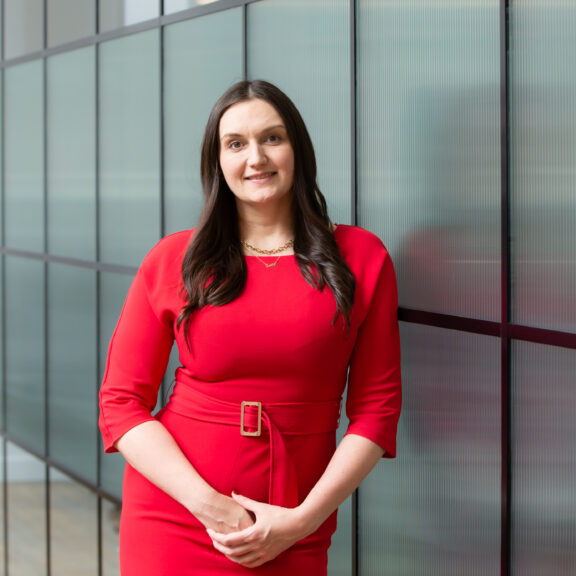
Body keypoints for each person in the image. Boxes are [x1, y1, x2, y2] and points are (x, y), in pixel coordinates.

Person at [99, 79, 401, 575]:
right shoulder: (175, 258)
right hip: (177, 516)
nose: (255, 157)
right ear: (217, 162)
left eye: (272, 138)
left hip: (294, 519)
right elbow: (121, 403)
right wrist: (210, 506)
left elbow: (377, 410)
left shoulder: (361, 257)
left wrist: (303, 521)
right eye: (235, 144)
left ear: (297, 149)